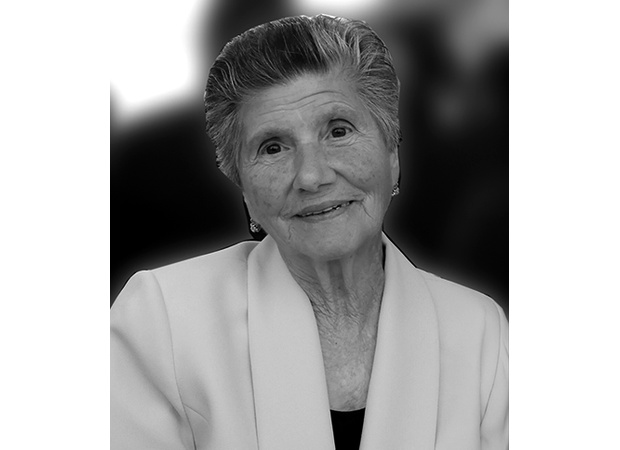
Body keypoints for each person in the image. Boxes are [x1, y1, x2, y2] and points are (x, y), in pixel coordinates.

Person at [110, 14, 508, 449]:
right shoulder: (160, 318)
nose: (312, 176)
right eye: (272, 147)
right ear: (242, 185)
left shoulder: (478, 328)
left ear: (392, 155)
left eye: (338, 131)